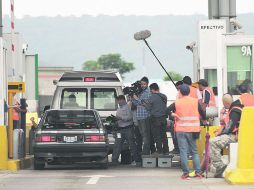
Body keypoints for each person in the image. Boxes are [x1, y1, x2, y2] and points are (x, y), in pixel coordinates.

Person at [169, 84, 206, 179]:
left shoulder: (177, 103)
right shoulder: (195, 101)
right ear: (189, 92)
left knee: (183, 152)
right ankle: (198, 172)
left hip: (181, 130)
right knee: (194, 151)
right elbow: (202, 112)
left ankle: (186, 173)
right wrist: (205, 120)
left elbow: (166, 111)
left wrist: (172, 114)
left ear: (180, 92)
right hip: (193, 130)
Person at [210, 95, 243, 178]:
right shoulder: (238, 108)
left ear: (226, 103)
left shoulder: (234, 111)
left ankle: (219, 166)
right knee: (214, 140)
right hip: (237, 135)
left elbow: (230, 127)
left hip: (235, 136)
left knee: (212, 142)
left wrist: (220, 134)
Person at [112, 95, 139, 166]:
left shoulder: (128, 107)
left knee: (132, 145)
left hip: (128, 129)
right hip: (120, 129)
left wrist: (120, 118)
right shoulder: (119, 108)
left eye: (119, 100)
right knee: (117, 145)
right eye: (117, 100)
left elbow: (130, 117)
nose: (118, 102)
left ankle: (137, 161)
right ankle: (114, 161)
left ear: (123, 100)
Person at [144, 83, 169, 155]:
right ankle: (166, 151)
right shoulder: (164, 96)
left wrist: (145, 105)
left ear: (152, 89)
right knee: (164, 135)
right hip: (163, 118)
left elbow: (149, 108)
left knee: (157, 136)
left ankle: (159, 151)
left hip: (155, 119)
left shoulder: (151, 98)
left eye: (150, 90)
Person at [132, 76, 152, 155]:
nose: (142, 85)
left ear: (147, 84)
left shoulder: (147, 92)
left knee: (145, 136)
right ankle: (144, 152)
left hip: (145, 117)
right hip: (139, 117)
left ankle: (146, 152)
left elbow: (144, 103)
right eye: (141, 84)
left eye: (144, 84)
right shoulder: (141, 92)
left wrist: (136, 98)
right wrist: (133, 99)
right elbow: (137, 104)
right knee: (142, 135)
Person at [127, 96, 142, 161]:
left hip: (137, 125)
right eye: (129, 97)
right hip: (132, 125)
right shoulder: (129, 103)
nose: (130, 99)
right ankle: (135, 156)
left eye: (131, 97)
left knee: (138, 141)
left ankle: (138, 156)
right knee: (134, 142)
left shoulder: (136, 103)